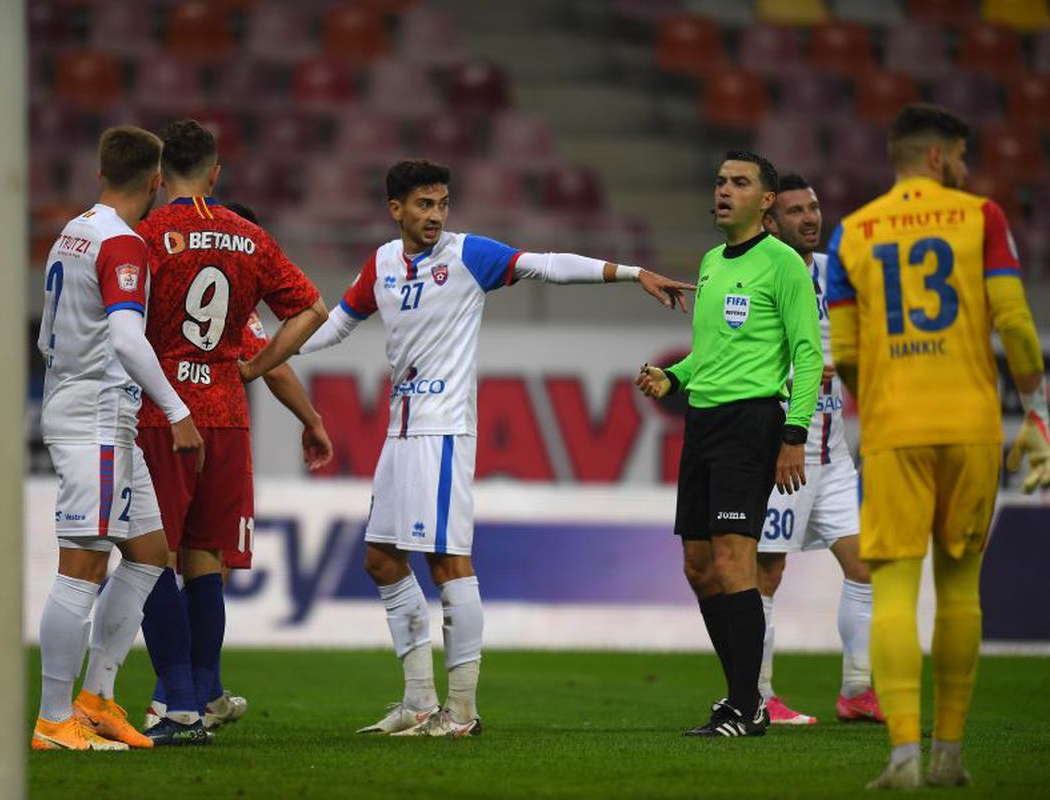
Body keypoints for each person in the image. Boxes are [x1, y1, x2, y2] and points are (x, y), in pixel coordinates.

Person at [296, 158, 693, 737]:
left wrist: (631, 273)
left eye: (442, 204)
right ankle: (418, 702)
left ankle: (461, 712)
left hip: (443, 427)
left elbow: (547, 265)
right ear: (396, 210)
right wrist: (269, 357)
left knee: (447, 562)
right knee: (381, 560)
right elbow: (337, 323)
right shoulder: (381, 262)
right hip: (400, 429)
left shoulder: (467, 256)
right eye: (424, 205)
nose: (435, 215)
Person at [826, 103, 1050, 789]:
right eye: (959, 156)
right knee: (959, 590)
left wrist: (890, 392)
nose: (964, 167)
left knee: (893, 590)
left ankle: (902, 758)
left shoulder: (851, 234)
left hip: (895, 428)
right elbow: (1012, 321)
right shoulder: (979, 217)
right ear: (935, 158)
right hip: (972, 425)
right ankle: (950, 753)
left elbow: (849, 354)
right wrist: (1037, 411)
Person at [134, 120, 327, 744]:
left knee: (151, 558)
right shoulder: (251, 236)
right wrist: (253, 366)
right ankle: (200, 697)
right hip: (227, 415)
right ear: (217, 174)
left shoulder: (148, 234)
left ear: (160, 176)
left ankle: (179, 705)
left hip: (165, 412)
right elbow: (312, 311)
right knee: (204, 561)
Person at [637, 151, 823, 738]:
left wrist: (794, 435)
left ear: (766, 201)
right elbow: (709, 355)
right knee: (698, 567)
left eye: (739, 183)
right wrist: (675, 377)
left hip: (751, 425)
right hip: (703, 421)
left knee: (732, 559)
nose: (724, 191)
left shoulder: (783, 264)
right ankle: (741, 698)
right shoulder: (712, 262)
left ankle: (747, 704)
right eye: (720, 181)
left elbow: (808, 356)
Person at [32, 126, 205, 751]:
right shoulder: (123, 243)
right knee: (82, 567)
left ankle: (97, 698)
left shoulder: (72, 230)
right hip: (97, 416)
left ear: (102, 171)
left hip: (98, 410)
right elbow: (128, 338)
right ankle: (53, 718)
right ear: (157, 180)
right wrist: (179, 411)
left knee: (149, 552)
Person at [755, 173, 882, 726]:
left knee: (863, 566)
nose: (810, 218)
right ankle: (758, 694)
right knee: (766, 572)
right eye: (796, 211)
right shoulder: (760, 276)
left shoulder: (837, 275)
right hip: (786, 452)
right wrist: (800, 374)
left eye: (813, 207)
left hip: (833, 458)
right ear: (770, 222)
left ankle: (857, 689)